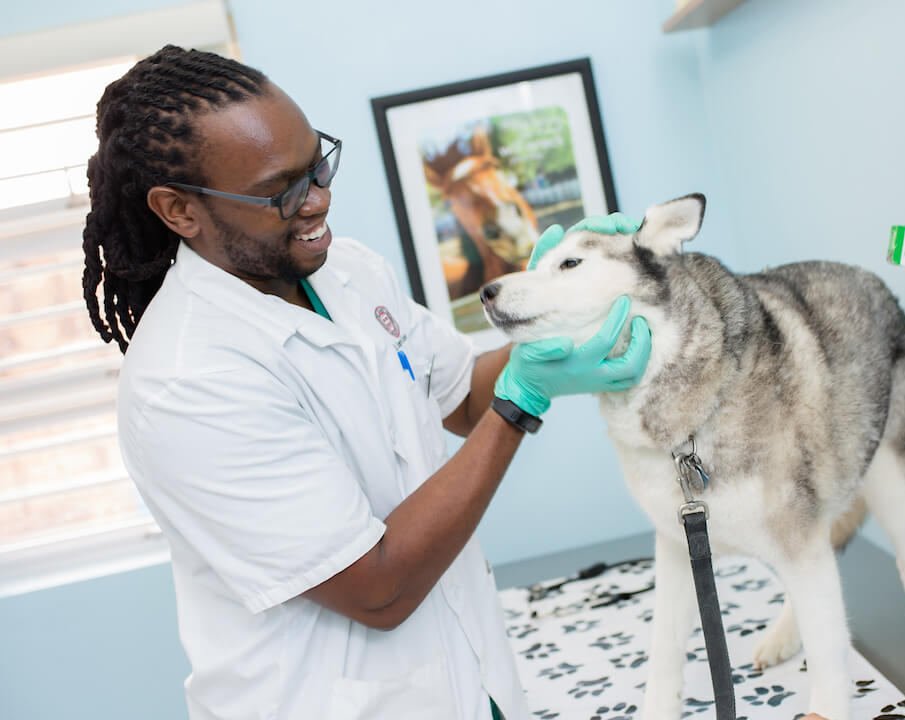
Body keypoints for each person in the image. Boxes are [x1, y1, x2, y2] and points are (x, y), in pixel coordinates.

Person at [81, 46, 650, 720]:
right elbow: (378, 588)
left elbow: (466, 397)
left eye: (317, 165)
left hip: (470, 679)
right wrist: (520, 402)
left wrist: (563, 302)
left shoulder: (347, 271)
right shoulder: (186, 382)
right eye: (282, 191)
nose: (319, 199)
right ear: (180, 209)